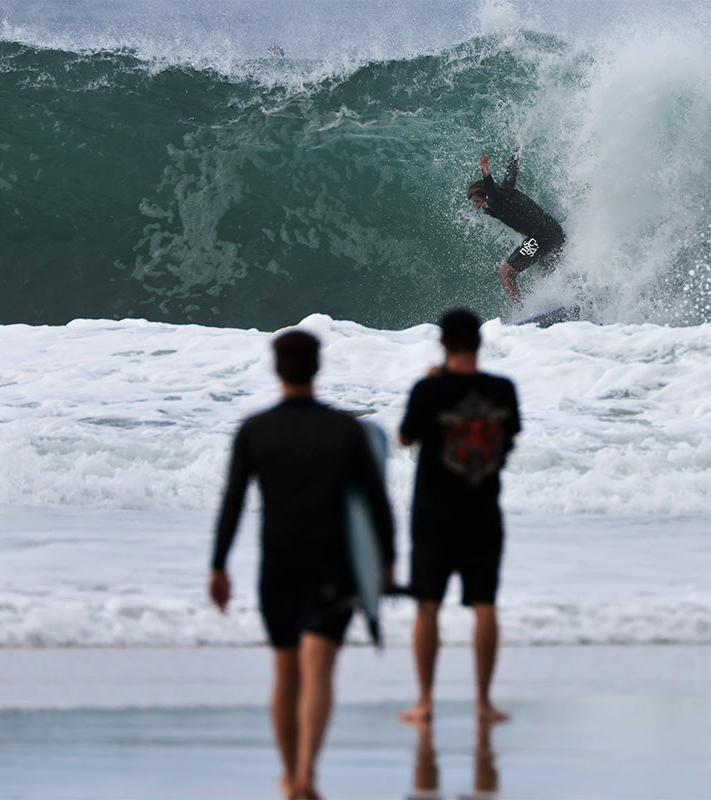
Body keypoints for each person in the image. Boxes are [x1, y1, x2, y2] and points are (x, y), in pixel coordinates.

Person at [208, 329, 395, 800]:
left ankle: (290, 777)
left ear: (276, 369)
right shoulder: (346, 430)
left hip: (279, 565)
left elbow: (232, 504)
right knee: (320, 672)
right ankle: (309, 773)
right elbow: (378, 505)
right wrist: (387, 566)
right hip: (332, 566)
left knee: (285, 671)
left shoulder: (255, 429)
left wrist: (218, 567)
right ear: (318, 367)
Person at [398, 309, 521, 724]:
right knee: (485, 605)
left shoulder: (428, 390)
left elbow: (405, 437)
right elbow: (508, 439)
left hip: (434, 512)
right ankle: (484, 703)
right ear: (478, 343)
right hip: (484, 510)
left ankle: (425, 702)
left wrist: (433, 384)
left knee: (428, 606)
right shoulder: (502, 390)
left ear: (443, 344)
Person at [468, 151, 566, 311]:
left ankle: (521, 313)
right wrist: (516, 150)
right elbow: (511, 173)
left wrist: (487, 176)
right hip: (555, 232)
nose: (478, 206)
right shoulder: (506, 191)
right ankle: (562, 301)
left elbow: (491, 192)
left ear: (485, 196)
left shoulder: (495, 200)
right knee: (545, 273)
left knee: (505, 274)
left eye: (478, 201)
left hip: (541, 237)